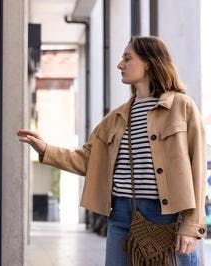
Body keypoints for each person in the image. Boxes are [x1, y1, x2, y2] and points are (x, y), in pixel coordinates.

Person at [17, 36, 206, 265]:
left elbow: (197, 167)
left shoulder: (182, 107)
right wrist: (46, 149)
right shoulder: (116, 118)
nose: (120, 64)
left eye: (127, 58)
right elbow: (88, 159)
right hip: (121, 214)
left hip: (168, 216)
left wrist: (191, 224)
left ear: (149, 62)